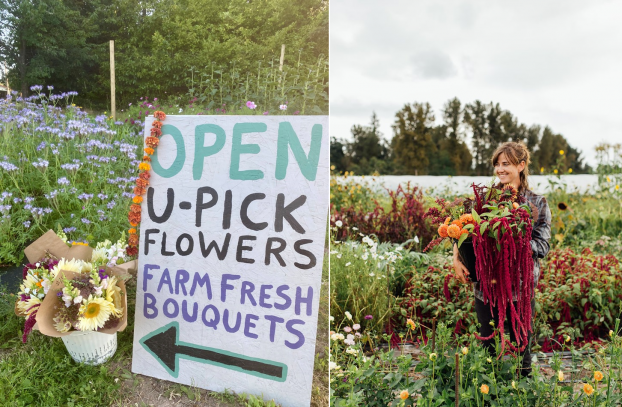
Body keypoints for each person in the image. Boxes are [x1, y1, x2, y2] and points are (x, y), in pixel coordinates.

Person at [452, 141, 551, 377]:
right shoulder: (483, 200)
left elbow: (542, 245)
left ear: (521, 165)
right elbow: (461, 230)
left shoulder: (537, 203)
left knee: (521, 348)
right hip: (486, 287)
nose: (500, 169)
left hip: (520, 287)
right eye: (497, 164)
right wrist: (456, 257)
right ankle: (488, 395)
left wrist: (513, 240)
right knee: (487, 348)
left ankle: (522, 394)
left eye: (506, 163)